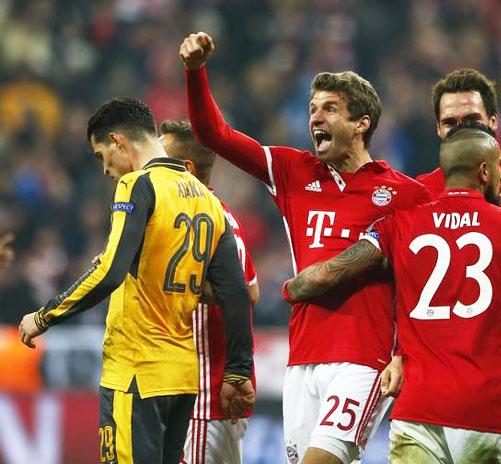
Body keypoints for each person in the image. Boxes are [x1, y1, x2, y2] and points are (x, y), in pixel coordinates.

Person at [284, 125, 501, 463]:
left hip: (418, 413)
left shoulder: (399, 224)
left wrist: (292, 288)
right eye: (498, 167)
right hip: (490, 412)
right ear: (484, 172)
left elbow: (326, 274)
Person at [180, 32, 430, 464]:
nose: (315, 117)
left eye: (330, 109)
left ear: (361, 123)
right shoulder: (294, 171)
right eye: (313, 109)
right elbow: (213, 134)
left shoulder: (404, 194)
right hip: (303, 359)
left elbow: (421, 285)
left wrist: (406, 355)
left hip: (363, 359)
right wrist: (195, 71)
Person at [17, 98, 254, 464]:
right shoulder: (206, 199)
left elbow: (110, 271)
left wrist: (44, 316)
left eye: (101, 156)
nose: (105, 169)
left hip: (136, 372)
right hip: (182, 378)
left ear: (118, 141)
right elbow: (236, 293)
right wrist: (238, 370)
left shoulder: (137, 185)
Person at [416, 69, 501, 411]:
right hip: (452, 368)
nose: (462, 128)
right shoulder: (418, 194)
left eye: (473, 118)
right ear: (438, 129)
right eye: (451, 121)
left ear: (493, 120)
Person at [159, 119, 259, 464]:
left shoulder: (214, 219)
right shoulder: (190, 216)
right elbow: (254, 287)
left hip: (206, 394)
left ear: (186, 169)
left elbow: (246, 294)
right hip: (185, 391)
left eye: (161, 157)